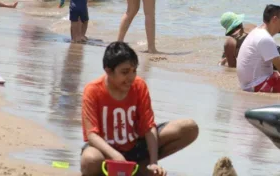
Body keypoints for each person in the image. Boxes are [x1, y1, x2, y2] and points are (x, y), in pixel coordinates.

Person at [80, 42, 198, 176]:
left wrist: (154, 162)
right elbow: (91, 135)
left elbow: (148, 127)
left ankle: (142, 167)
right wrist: (115, 156)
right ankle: (114, 170)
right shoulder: (92, 90)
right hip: (105, 151)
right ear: (108, 71)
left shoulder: (139, 86)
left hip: (135, 147)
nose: (131, 77)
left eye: (134, 70)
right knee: (90, 160)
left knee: (189, 128)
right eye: (125, 72)